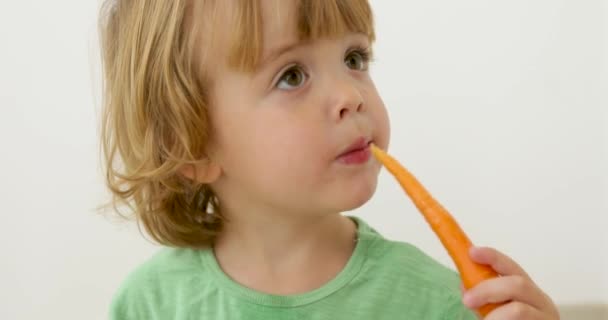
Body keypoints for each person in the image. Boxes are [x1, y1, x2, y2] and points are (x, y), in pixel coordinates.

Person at [98, 0, 560, 319]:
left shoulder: (444, 303)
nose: (350, 95)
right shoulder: (149, 305)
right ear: (192, 145)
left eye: (355, 58)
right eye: (292, 75)